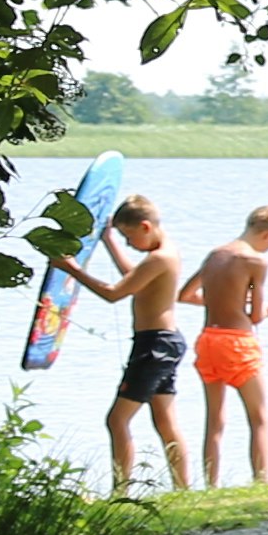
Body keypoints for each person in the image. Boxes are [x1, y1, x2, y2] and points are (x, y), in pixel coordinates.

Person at [74, 194, 192, 495]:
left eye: (129, 237)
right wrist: (108, 240)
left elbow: (114, 293)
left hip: (154, 347)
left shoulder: (159, 258)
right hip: (165, 343)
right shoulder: (167, 251)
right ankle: (183, 489)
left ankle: (120, 492)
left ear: (145, 227)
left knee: (116, 419)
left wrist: (70, 268)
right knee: (164, 419)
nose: (128, 244)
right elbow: (133, 277)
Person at [186, 203, 268, 487]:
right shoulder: (256, 262)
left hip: (208, 339)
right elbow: (256, 314)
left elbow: (186, 294)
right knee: (258, 418)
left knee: (214, 421)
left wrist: (229, 302)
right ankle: (262, 481)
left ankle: (210, 484)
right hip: (238, 343)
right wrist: (263, 310)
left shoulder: (214, 256)